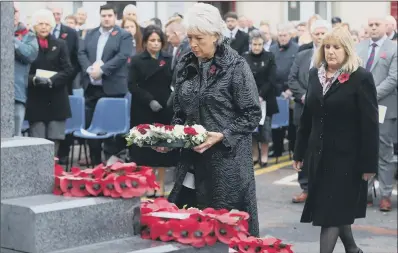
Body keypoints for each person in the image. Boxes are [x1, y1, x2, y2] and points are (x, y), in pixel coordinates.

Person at [155, 3, 261, 236]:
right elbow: (180, 110)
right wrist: (171, 137)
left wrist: (223, 134)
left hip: (227, 163)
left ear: (215, 35)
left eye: (199, 38)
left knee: (225, 232)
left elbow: (253, 113)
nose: (193, 44)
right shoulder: (185, 62)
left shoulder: (236, 66)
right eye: (190, 37)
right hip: (192, 161)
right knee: (189, 228)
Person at [293, 26, 379, 253]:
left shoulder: (360, 77)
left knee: (329, 216)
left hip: (346, 160)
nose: (331, 51)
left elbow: (370, 126)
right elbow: (307, 118)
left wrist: (369, 165)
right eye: (327, 47)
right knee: (334, 210)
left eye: (336, 47)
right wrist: (299, 152)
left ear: (347, 50)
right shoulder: (314, 75)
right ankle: (352, 249)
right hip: (318, 156)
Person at [78, 4, 133, 166]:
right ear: (100, 16)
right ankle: (95, 163)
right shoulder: (90, 34)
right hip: (92, 88)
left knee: (112, 131)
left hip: (113, 89)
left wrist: (102, 70)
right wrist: (89, 68)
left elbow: (122, 56)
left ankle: (111, 165)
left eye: (109, 15)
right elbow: (81, 53)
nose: (106, 18)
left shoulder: (123, 35)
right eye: (104, 15)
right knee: (91, 127)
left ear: (115, 16)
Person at [128, 25, 177, 196]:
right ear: (145, 42)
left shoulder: (169, 58)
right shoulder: (136, 60)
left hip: (164, 108)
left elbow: (174, 81)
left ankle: (161, 184)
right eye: (152, 40)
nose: (155, 44)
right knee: (145, 149)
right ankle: (148, 183)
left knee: (161, 148)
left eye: (158, 41)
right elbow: (132, 85)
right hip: (143, 108)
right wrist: (149, 100)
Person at [288, 19, 332, 204]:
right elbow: (292, 79)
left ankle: (324, 188)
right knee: (303, 148)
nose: (320, 36)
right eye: (317, 33)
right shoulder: (302, 55)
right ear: (311, 34)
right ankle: (305, 188)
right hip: (303, 108)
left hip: (327, 112)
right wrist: (305, 98)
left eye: (323, 33)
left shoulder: (332, 55)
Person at [357, 17, 397, 212]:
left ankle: (386, 194)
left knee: (384, 152)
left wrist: (371, 96)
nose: (373, 28)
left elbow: (393, 79)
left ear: (385, 27)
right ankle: (363, 193)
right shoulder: (359, 47)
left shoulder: (393, 48)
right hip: (360, 108)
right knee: (362, 149)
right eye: (370, 25)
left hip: (384, 108)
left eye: (377, 25)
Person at [26, 9, 73, 154]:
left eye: (47, 24)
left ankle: (53, 172)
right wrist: (33, 79)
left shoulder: (60, 44)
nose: (44, 27)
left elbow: (68, 70)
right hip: (36, 98)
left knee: (54, 139)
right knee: (37, 141)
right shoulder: (28, 45)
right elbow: (22, 72)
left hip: (57, 98)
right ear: (34, 26)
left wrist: (51, 80)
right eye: (40, 23)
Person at [243, 30, 278, 167]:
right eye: (254, 44)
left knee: (265, 130)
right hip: (248, 99)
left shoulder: (269, 56)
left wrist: (261, 95)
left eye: (259, 44)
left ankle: (264, 155)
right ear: (250, 44)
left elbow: (272, 79)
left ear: (263, 44)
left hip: (266, 99)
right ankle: (254, 155)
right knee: (251, 130)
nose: (257, 47)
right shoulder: (244, 57)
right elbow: (242, 78)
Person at [13, 3, 39, 136]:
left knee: (14, 137)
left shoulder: (28, 35)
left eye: (15, 11)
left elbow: (30, 54)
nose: (12, 14)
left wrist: (11, 39)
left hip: (17, 93)